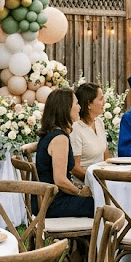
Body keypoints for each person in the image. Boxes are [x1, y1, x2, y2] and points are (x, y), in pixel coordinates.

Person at [34, 88, 94, 218]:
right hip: (52, 203)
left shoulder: (51, 133)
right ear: (65, 108)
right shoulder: (60, 139)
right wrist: (80, 191)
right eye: (76, 104)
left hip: (45, 199)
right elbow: (60, 180)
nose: (79, 107)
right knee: (103, 205)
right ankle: (96, 238)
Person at [70, 82, 112, 182]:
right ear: (89, 104)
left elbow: (106, 153)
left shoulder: (99, 122)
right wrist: (95, 182)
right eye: (101, 99)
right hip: (85, 184)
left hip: (103, 180)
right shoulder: (76, 128)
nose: (104, 102)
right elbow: (74, 168)